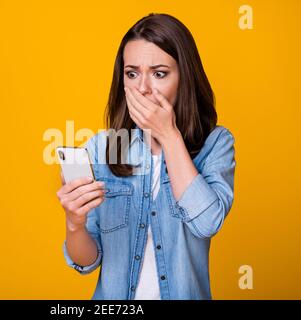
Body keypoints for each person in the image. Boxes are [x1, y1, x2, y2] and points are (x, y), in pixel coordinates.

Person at [56, 13, 236, 300]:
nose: (142, 88)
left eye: (159, 73)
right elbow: (86, 262)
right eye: (132, 73)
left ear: (184, 78)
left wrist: (168, 135)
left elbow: (207, 223)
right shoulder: (103, 149)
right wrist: (74, 223)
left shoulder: (216, 144)